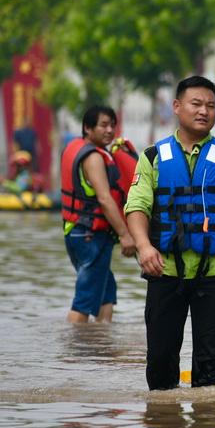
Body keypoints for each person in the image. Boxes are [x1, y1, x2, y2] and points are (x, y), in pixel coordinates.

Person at [125, 75, 215, 390]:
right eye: (197, 104)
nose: (204, 111)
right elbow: (136, 207)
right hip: (165, 271)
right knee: (161, 365)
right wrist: (144, 247)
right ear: (177, 107)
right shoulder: (152, 157)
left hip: (214, 275)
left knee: (211, 369)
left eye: (211, 106)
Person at [61, 105, 136, 324]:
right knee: (84, 301)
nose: (110, 130)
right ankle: (75, 352)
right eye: (103, 125)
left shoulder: (75, 147)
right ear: (87, 127)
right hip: (89, 236)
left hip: (77, 232)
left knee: (106, 293)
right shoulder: (93, 158)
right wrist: (125, 234)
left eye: (113, 125)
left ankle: (100, 345)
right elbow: (104, 199)